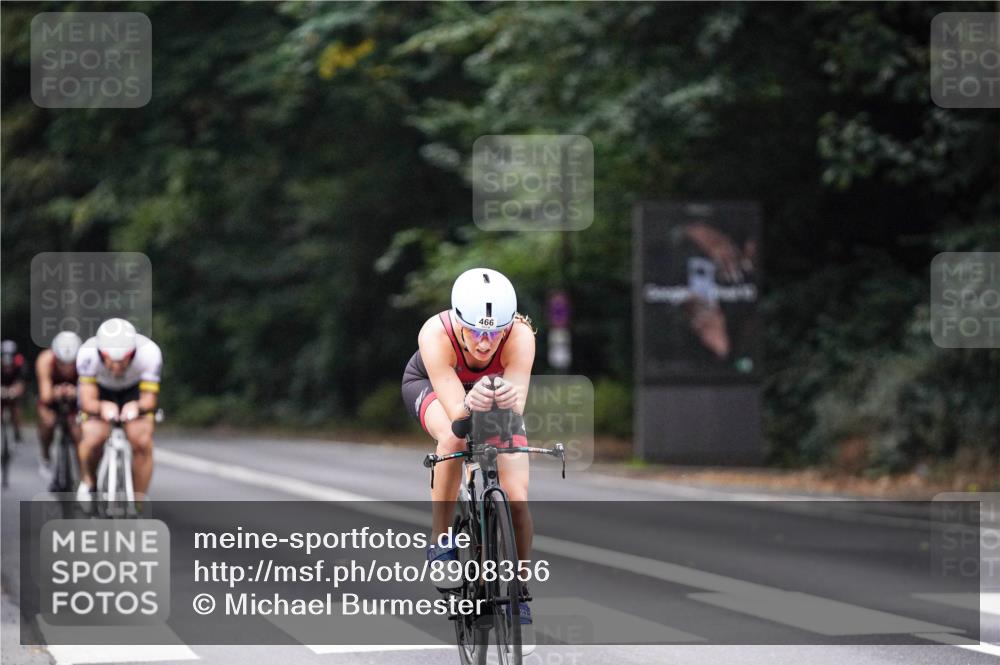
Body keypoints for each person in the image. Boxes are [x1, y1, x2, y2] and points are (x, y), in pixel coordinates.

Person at [401, 268, 536, 652]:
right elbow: (458, 415)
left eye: (494, 333)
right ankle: (441, 540)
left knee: (517, 498)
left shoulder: (521, 337)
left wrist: (499, 403)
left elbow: (513, 409)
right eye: (475, 330)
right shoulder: (434, 334)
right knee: (451, 437)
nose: (484, 342)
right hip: (433, 386)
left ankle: (519, 596)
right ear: (458, 322)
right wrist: (468, 410)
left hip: (492, 396)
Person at [75, 318, 162, 509]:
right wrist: (101, 407)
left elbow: (149, 399)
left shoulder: (149, 353)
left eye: (123, 360)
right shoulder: (87, 353)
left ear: (132, 352)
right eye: (111, 360)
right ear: (101, 352)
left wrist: (137, 407)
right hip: (100, 390)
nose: (117, 367)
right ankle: (89, 481)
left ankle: (138, 504)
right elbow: (88, 400)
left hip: (134, 390)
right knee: (92, 439)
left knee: (142, 441)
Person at [35, 331, 83, 484]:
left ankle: (83, 474)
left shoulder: (85, 361)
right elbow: (45, 395)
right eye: (62, 363)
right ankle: (45, 456)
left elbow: (89, 392)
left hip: (78, 400)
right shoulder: (45, 360)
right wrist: (56, 393)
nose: (67, 368)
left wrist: (76, 392)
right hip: (52, 400)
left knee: (78, 431)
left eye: (71, 363)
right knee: (47, 422)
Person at [1, 339, 27, 444]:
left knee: (15, 406)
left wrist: (16, 390)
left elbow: (22, 379)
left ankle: (17, 430)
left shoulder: (19, 361)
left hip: (14, 385)